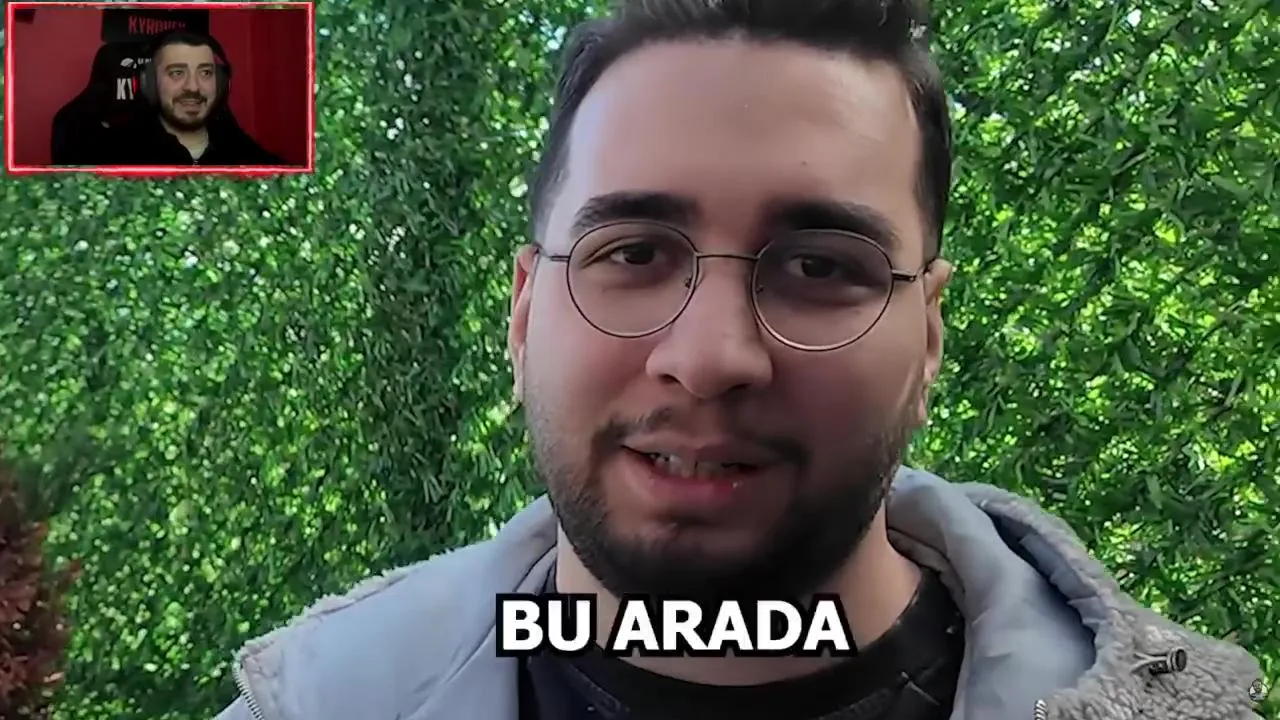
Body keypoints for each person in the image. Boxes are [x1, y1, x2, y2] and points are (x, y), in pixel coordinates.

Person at [214, 1, 1266, 718]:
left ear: (928, 336)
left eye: (819, 266)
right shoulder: (319, 699)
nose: (711, 356)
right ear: (525, 313)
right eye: (633, 254)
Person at [103, 29, 282, 166]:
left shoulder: (248, 155)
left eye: (205, 73)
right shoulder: (112, 155)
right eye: (177, 72)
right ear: (149, 83)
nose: (193, 87)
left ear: (221, 84)